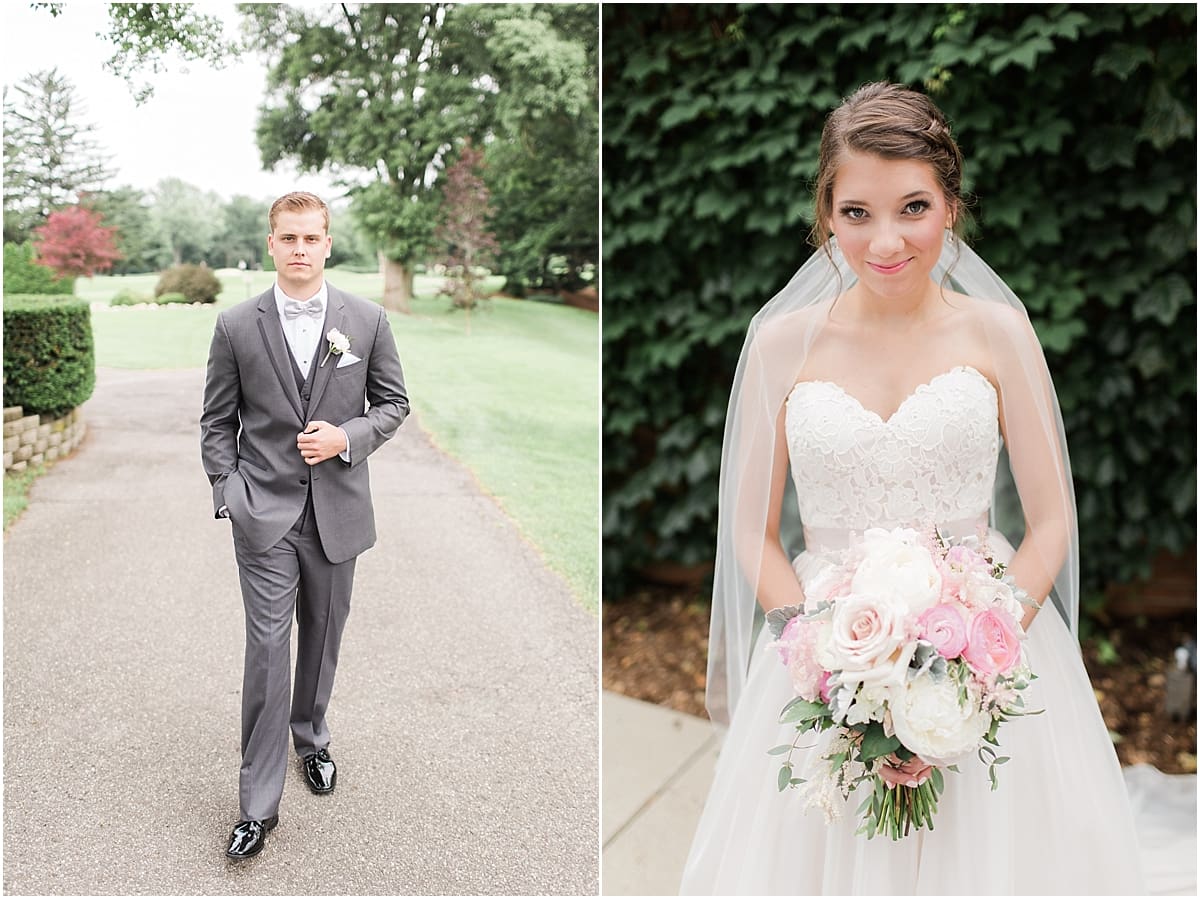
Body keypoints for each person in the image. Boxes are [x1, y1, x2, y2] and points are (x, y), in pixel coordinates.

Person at [679, 83, 1148, 894]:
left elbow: (1050, 522)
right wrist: (821, 664)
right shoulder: (778, 344)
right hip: (823, 647)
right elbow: (751, 532)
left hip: (984, 632)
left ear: (953, 207)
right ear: (826, 212)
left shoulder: (998, 332)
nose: (886, 240)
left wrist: (974, 656)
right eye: (856, 211)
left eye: (913, 207)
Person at [200, 191, 409, 860]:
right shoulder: (236, 326)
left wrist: (345, 437)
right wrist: (229, 490)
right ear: (270, 243)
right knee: (268, 649)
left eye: (310, 237)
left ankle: (312, 737)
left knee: (322, 636)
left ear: (327, 244)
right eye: (287, 237)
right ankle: (257, 806)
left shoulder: (367, 320)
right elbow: (215, 422)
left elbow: (394, 403)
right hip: (263, 513)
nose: (299, 248)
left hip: (337, 509)